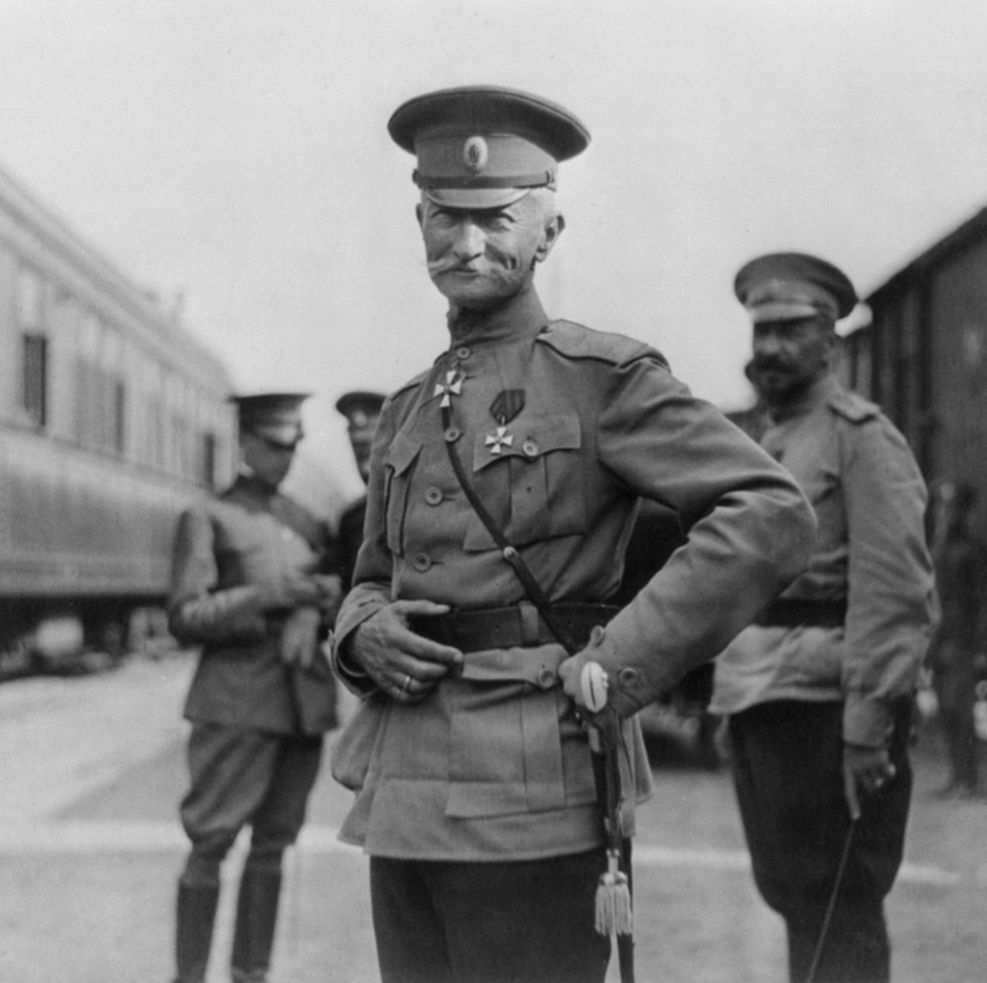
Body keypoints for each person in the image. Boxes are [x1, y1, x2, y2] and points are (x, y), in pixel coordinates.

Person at [329, 84, 817, 983]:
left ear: (548, 233)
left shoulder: (601, 378)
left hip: (533, 784)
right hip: (403, 789)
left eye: (496, 218)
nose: (465, 242)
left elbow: (771, 511)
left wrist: (619, 659)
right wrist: (360, 631)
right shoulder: (405, 407)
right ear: (419, 220)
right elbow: (370, 575)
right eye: (444, 216)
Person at [709, 253, 937, 983]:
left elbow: (895, 594)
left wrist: (869, 724)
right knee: (797, 899)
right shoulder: (764, 440)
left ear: (830, 342)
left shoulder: (861, 438)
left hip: (829, 706)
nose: (770, 347)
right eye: (761, 330)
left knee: (840, 905)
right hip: (762, 696)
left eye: (790, 330)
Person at [166, 392, 341, 983]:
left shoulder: (307, 522)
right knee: (210, 844)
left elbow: (337, 590)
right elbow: (186, 616)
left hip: (302, 706)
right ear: (244, 444)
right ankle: (189, 977)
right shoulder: (209, 516)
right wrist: (266, 597)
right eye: (272, 446)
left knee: (272, 847)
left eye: (292, 448)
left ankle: (251, 975)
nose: (283, 459)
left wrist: (312, 610)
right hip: (235, 702)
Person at [926, 479, 987, 798]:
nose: (944, 513)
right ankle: (956, 774)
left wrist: (980, 647)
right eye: (941, 506)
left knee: (962, 709)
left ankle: (969, 778)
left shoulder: (972, 551)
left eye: (951, 507)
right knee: (944, 709)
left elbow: (983, 602)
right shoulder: (937, 549)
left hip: (963, 640)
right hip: (940, 640)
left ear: (963, 512)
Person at [332, 390, 386, 592]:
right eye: (358, 448)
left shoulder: (422, 508)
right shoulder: (352, 519)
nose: (365, 461)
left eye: (370, 446)